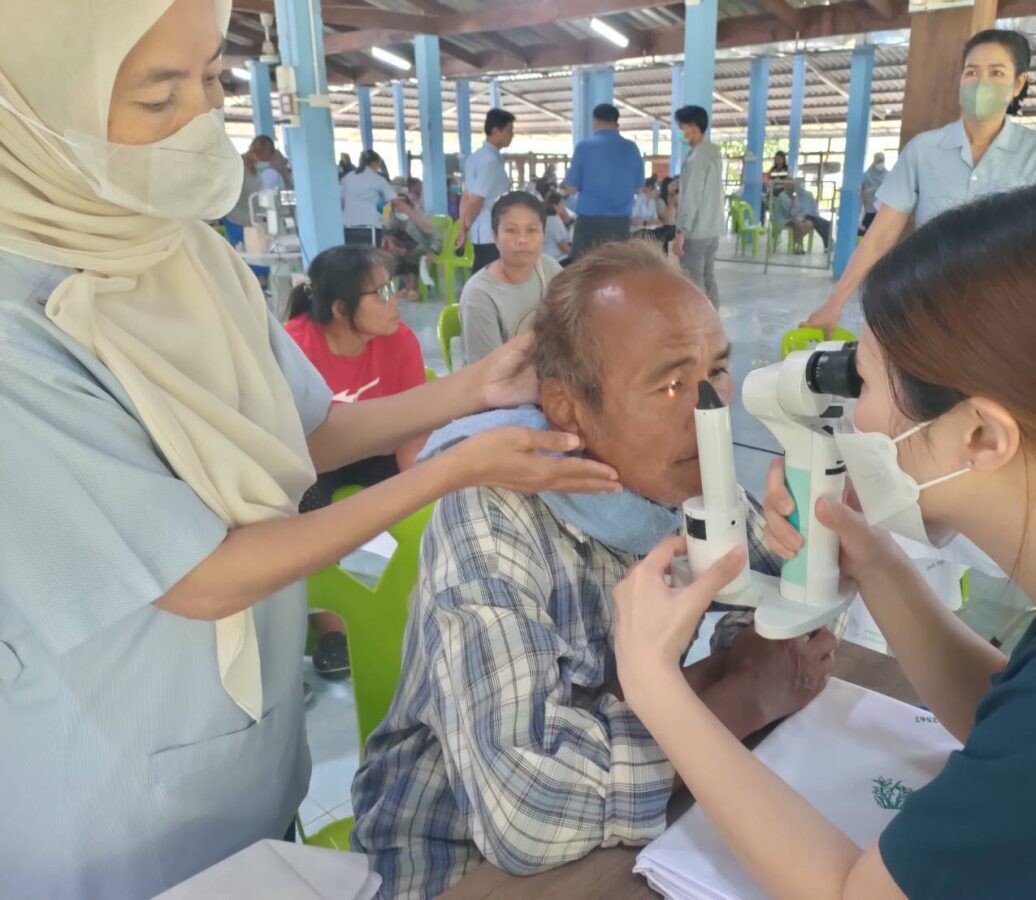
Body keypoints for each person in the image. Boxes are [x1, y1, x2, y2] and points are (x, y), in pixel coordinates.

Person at [0, 2, 623, 895]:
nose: (199, 123)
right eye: (157, 96)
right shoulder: (16, 332)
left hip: (247, 744)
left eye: (213, 79)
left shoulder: (189, 257)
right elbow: (200, 576)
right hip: (109, 789)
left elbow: (310, 429)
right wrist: (454, 467)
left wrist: (470, 391)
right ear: (30, 108)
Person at [612, 167, 1036, 900]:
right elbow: (1019, 725)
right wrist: (876, 561)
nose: (856, 418)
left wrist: (653, 683)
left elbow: (855, 895)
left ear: (981, 437)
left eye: (864, 382)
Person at [352, 241, 837, 899]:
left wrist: (815, 524)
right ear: (567, 408)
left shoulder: (681, 476)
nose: (708, 409)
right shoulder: (493, 513)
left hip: (618, 829)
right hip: (452, 857)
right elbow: (524, 810)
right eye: (669, 383)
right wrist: (744, 696)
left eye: (718, 371)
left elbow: (786, 601)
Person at [805, 29, 1036, 335]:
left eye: (997, 72)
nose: (981, 83)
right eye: (972, 72)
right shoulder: (924, 150)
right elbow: (882, 233)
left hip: (1004, 313)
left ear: (1018, 83)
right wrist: (835, 303)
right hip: (932, 307)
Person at [285, 246, 430, 679]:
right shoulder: (294, 347)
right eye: (381, 292)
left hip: (375, 449)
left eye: (393, 287)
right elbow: (284, 443)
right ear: (341, 308)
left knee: (401, 509)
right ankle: (331, 625)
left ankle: (391, 601)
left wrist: (424, 487)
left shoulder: (399, 341)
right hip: (311, 456)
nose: (395, 300)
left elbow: (410, 427)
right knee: (310, 512)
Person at [460, 191, 562, 364]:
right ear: (495, 237)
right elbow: (488, 373)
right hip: (500, 384)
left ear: (543, 235)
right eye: (511, 230)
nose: (522, 239)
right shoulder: (479, 295)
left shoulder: (547, 267)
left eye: (531, 230)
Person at [562, 103, 644, 257]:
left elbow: (571, 187)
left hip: (590, 224)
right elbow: (639, 189)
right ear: (616, 123)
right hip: (620, 223)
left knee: (584, 271)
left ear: (595, 121)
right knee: (616, 270)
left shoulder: (584, 147)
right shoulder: (632, 148)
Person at [672, 105, 724, 306]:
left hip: (696, 230)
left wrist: (680, 234)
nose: (680, 131)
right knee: (708, 277)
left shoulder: (696, 159)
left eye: (681, 126)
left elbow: (691, 198)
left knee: (693, 282)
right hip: (713, 229)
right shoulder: (713, 153)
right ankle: (714, 323)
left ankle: (701, 329)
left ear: (693, 126)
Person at [458, 107, 516, 273]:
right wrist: (465, 226)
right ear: (495, 131)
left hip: (482, 232)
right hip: (490, 233)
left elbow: (466, 197)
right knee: (491, 278)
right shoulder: (490, 161)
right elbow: (476, 199)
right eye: (509, 131)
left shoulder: (475, 157)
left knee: (483, 276)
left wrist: (462, 227)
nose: (511, 135)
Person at [341, 149, 396, 231]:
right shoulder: (377, 179)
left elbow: (342, 201)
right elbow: (393, 200)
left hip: (346, 222)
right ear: (375, 163)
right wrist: (385, 221)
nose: (378, 169)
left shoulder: (347, 177)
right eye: (378, 165)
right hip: (369, 222)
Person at [860, 151, 888, 234]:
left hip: (882, 211)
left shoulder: (888, 175)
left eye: (882, 161)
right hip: (868, 210)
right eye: (879, 161)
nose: (880, 164)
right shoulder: (866, 175)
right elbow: (860, 192)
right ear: (874, 161)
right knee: (866, 232)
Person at [542, 191, 573, 264]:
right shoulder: (554, 220)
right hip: (559, 260)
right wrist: (579, 257)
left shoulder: (547, 219)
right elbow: (563, 247)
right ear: (556, 206)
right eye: (562, 204)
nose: (564, 207)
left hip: (548, 259)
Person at [657, 175, 679, 252]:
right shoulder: (660, 201)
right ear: (666, 187)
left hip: (676, 229)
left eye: (676, 185)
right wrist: (672, 203)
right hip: (665, 230)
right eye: (672, 185)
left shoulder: (676, 199)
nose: (675, 187)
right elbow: (665, 219)